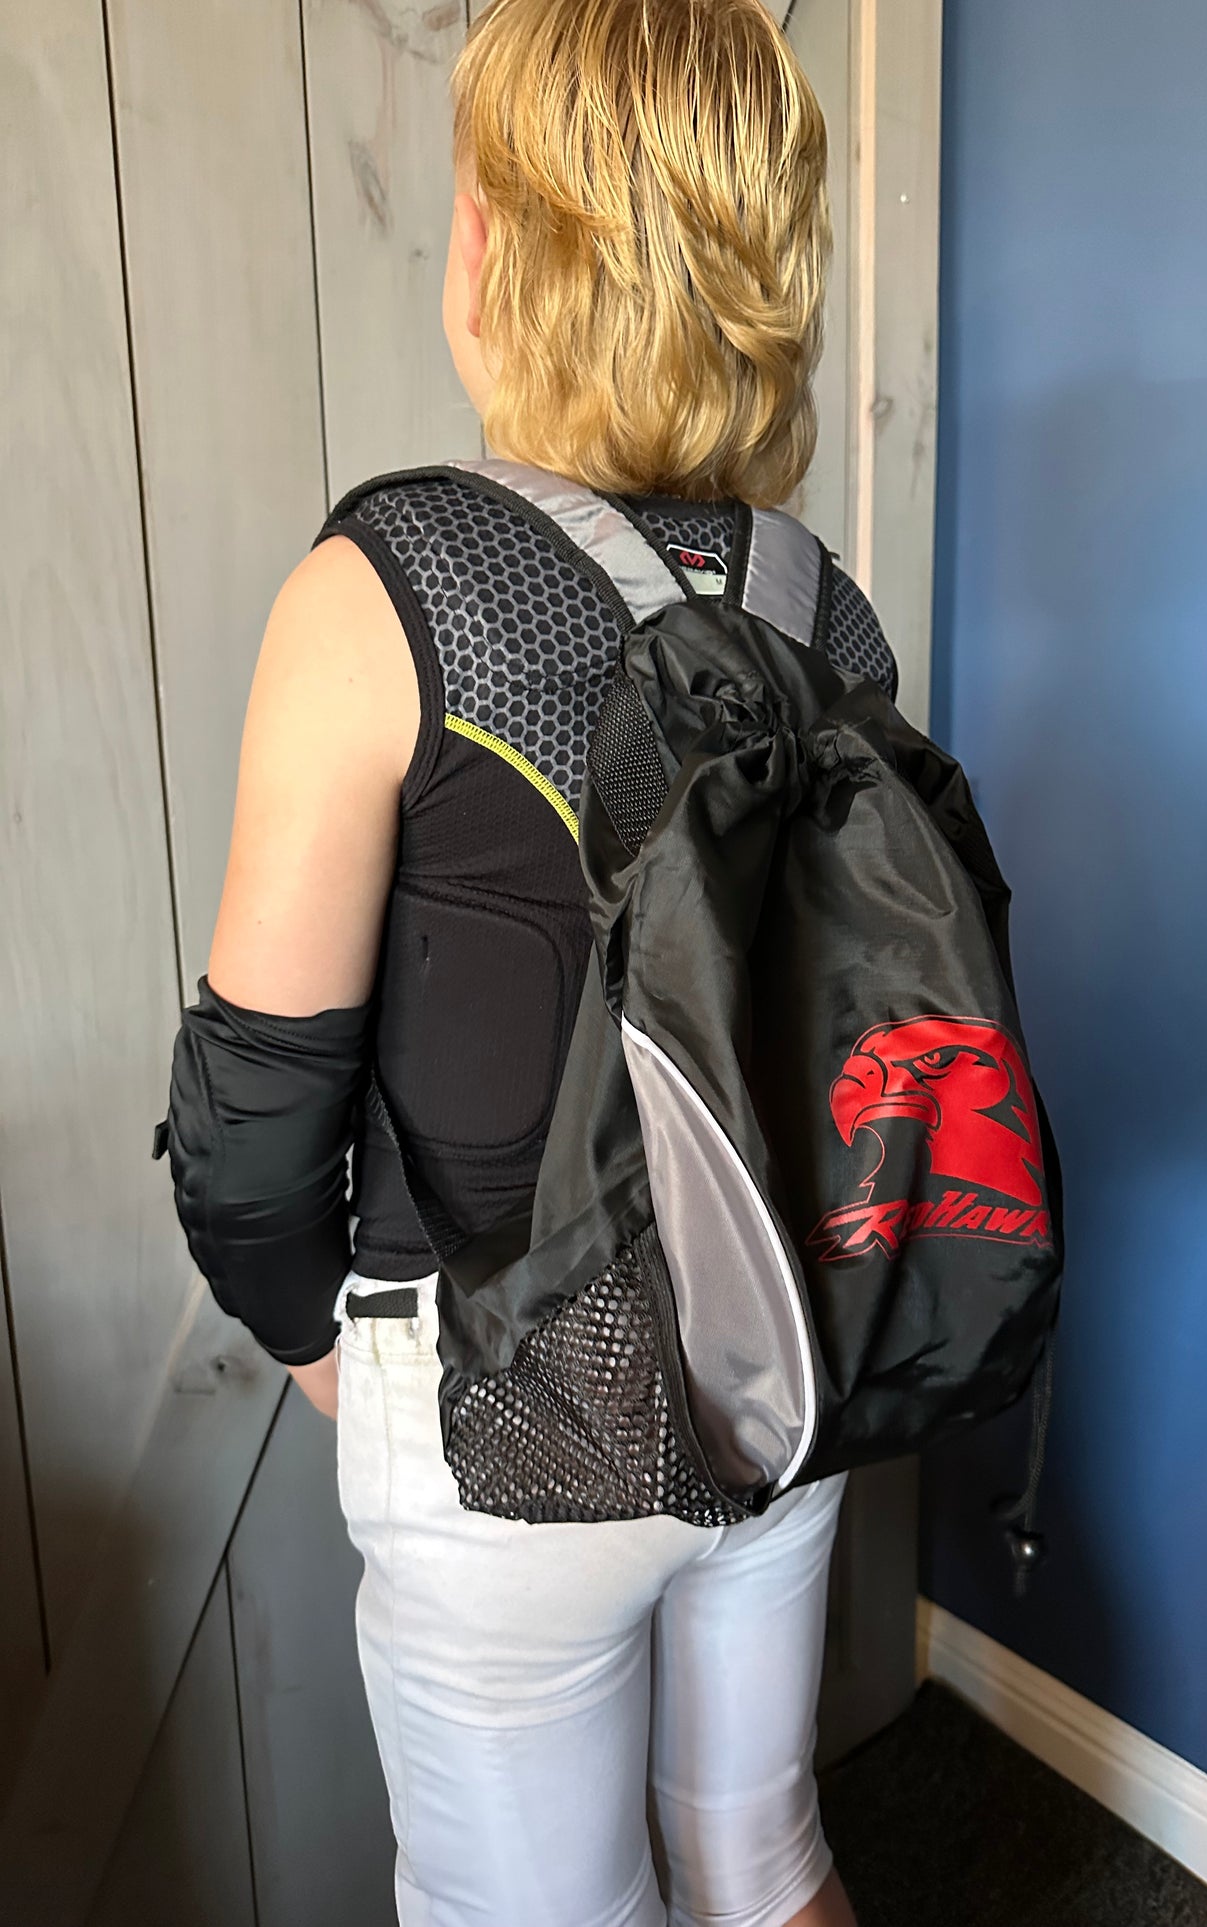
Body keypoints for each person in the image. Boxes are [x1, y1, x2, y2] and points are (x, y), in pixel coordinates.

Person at [184, 1, 898, 1919]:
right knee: (762, 1857)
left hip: (505, 1409)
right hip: (787, 1362)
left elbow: (256, 1133)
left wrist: (345, 1367)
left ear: (496, 241)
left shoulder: (383, 594)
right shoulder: (820, 606)